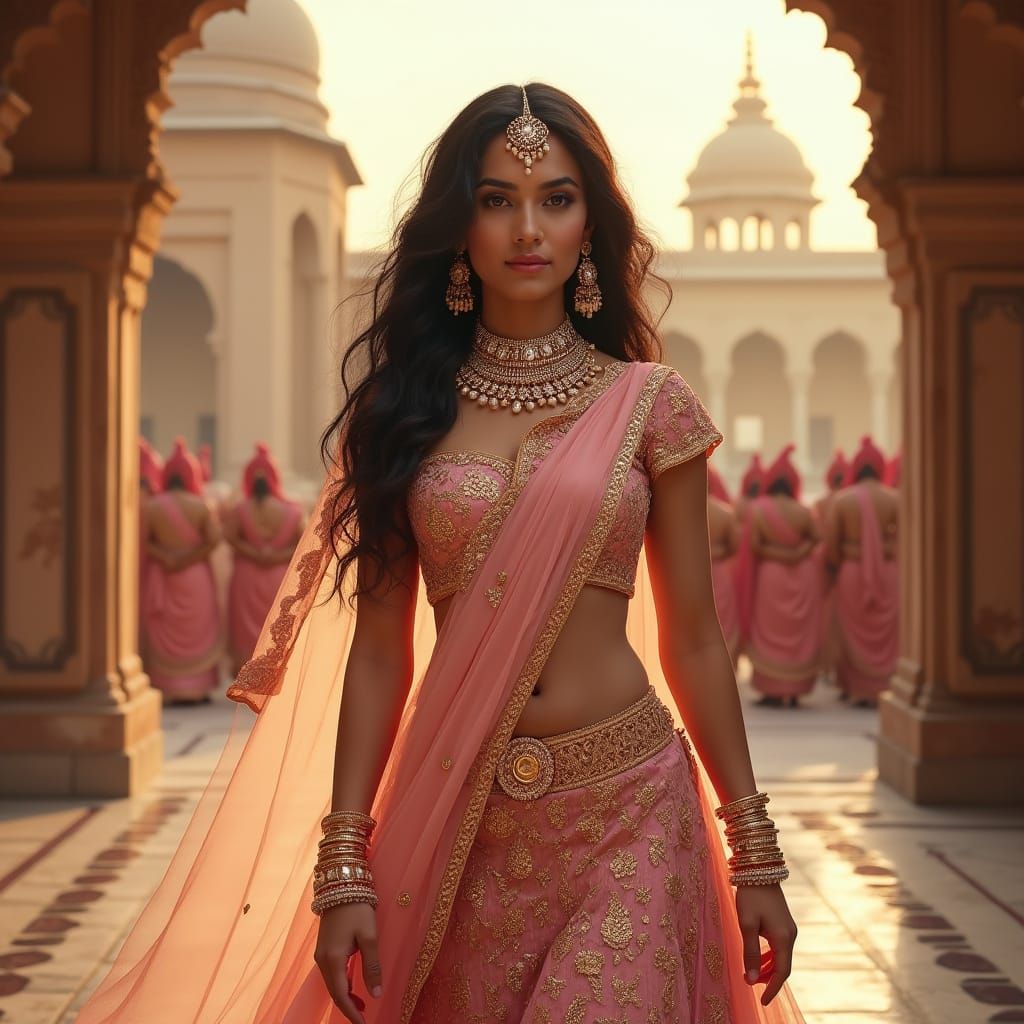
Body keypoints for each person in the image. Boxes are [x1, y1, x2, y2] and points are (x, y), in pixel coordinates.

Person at [78, 84, 804, 1024]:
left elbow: (696, 640)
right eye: (496, 199)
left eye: (557, 197)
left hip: (631, 806)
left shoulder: (651, 403)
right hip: (462, 813)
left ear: (593, 225)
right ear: (458, 226)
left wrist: (754, 850)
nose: (527, 227)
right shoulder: (403, 415)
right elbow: (380, 650)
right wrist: (345, 863)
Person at [139, 438, 223, 704]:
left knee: (165, 630)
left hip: (164, 574)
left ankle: (168, 686)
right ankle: (197, 689)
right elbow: (213, 540)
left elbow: (144, 542)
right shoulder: (201, 506)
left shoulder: (152, 507)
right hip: (194, 576)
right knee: (197, 630)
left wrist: (167, 557)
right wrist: (188, 559)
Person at [737, 446, 820, 709]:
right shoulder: (803, 511)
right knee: (797, 632)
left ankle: (772, 690)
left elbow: (755, 546)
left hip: (771, 575)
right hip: (802, 573)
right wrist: (796, 554)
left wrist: (779, 555)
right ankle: (794, 691)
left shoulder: (759, 509)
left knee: (770, 631)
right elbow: (816, 539)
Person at [826, 436, 899, 708]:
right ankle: (884, 687)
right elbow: (904, 543)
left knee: (851, 628)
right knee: (887, 634)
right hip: (888, 573)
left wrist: (844, 562)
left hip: (852, 572)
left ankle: (857, 688)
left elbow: (832, 545)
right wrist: (882, 554)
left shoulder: (844, 501)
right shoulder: (894, 500)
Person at [225, 442, 305, 676]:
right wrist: (276, 556)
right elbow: (301, 544)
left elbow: (229, 538)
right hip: (278, 577)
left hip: (246, 576)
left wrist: (255, 554)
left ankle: (248, 676)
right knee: (274, 626)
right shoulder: (293, 511)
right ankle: (272, 673)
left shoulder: (240, 510)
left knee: (245, 629)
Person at [813, 451, 848, 699]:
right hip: (864, 566)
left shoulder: (825, 504)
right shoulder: (890, 500)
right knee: (843, 621)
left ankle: (830, 667)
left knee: (831, 619)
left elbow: (825, 539)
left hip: (840, 566)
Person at [708, 483, 741, 663]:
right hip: (719, 570)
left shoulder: (680, 514)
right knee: (723, 621)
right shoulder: (725, 513)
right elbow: (734, 546)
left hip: (689, 572)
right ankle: (724, 664)